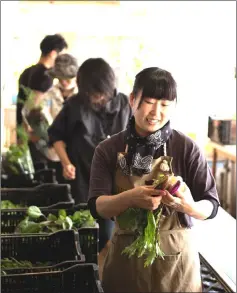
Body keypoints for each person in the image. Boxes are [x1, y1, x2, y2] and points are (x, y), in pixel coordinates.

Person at [88, 67, 220, 292]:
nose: (156, 112)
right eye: (149, 102)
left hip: (176, 262)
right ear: (132, 100)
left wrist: (189, 206)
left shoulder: (186, 148)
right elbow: (96, 207)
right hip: (125, 260)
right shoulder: (108, 149)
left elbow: (211, 205)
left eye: (165, 105)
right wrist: (130, 198)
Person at [47, 57, 132, 252]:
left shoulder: (125, 104)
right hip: (83, 181)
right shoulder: (76, 104)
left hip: (117, 184)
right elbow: (56, 135)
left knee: (109, 237)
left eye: (100, 94)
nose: (96, 98)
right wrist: (65, 162)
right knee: (84, 237)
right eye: (91, 93)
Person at [16, 34, 68, 168]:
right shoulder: (46, 76)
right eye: (60, 55)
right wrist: (46, 137)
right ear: (53, 53)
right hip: (38, 140)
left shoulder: (26, 72)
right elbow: (32, 109)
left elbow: (21, 106)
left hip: (25, 135)